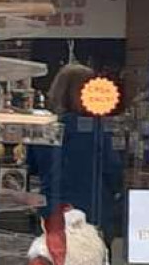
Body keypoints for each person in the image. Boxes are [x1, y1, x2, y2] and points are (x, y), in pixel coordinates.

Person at [27, 63, 123, 240]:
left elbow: (32, 167)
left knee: (54, 260)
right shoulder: (97, 129)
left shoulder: (44, 127)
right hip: (92, 210)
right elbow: (113, 169)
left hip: (53, 209)